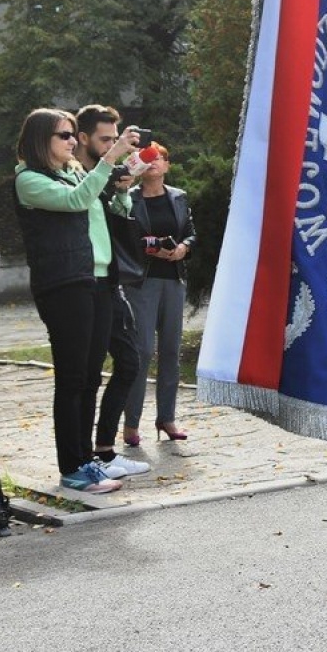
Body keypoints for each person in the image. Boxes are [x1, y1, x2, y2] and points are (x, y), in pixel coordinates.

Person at [13, 107, 142, 493]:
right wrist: (107, 161)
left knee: (89, 377)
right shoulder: (29, 179)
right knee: (71, 378)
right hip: (64, 283)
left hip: (97, 278)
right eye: (64, 135)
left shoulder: (75, 171)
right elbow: (74, 202)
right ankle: (71, 466)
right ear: (41, 140)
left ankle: (87, 460)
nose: (72, 141)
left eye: (72, 134)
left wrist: (121, 191)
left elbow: (99, 210)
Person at [72, 104, 154, 475]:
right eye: (106, 139)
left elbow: (120, 222)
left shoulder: (103, 174)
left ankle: (103, 449)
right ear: (83, 138)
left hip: (111, 279)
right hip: (84, 282)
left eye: (115, 138)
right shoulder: (74, 175)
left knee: (130, 361)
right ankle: (86, 456)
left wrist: (124, 190)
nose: (112, 146)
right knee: (85, 374)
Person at [126, 142, 194, 444]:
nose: (153, 163)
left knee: (170, 351)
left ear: (167, 165)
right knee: (141, 351)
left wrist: (183, 248)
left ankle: (167, 419)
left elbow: (191, 231)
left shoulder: (179, 197)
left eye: (159, 158)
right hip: (142, 282)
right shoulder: (128, 199)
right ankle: (131, 423)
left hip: (173, 281)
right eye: (147, 158)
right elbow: (124, 237)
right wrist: (150, 247)